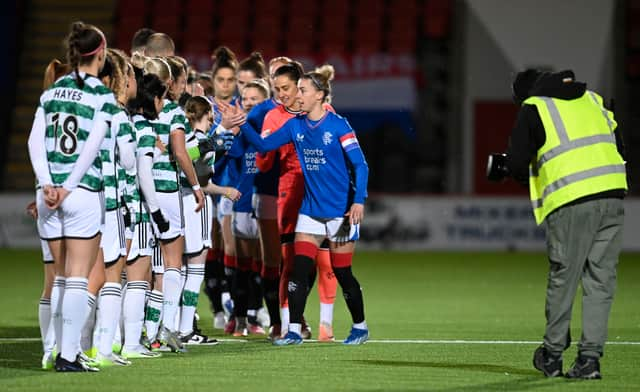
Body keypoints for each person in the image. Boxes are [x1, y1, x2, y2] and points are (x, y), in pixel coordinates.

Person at [504, 69, 627, 379]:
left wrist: (508, 167)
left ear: (525, 94)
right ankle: (589, 361)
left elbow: (518, 163)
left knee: (565, 276)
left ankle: (553, 354)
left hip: (572, 197)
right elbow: (620, 148)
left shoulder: (534, 107)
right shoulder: (594, 100)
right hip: (613, 193)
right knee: (600, 280)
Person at [238, 65, 370, 346]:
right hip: (310, 211)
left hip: (340, 211)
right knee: (298, 268)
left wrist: (358, 201)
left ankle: (360, 326)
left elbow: (360, 164)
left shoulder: (338, 125)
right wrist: (241, 124)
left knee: (343, 272)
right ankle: (294, 330)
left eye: (303, 90)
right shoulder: (295, 125)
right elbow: (264, 147)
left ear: (320, 96)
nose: (297, 95)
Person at [28, 21, 114, 372]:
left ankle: (51, 352)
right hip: (80, 192)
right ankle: (67, 355)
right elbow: (93, 144)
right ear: (101, 53)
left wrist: (48, 184)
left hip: (47, 194)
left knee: (58, 277)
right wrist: (67, 186)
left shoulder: (50, 92)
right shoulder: (101, 95)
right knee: (78, 276)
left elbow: (34, 140)